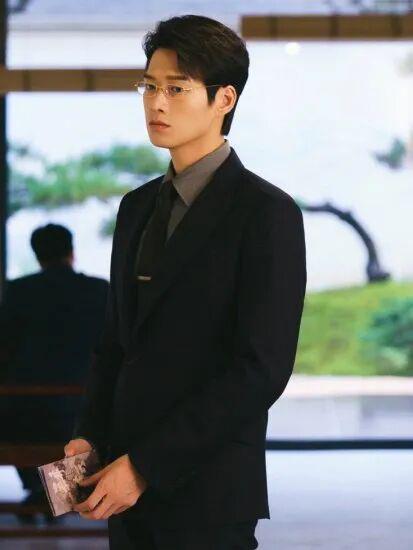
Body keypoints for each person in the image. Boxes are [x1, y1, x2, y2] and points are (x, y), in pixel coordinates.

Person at [65, 14, 307, 550]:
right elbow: (115, 341)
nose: (157, 103)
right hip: (122, 485)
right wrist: (89, 434)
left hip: (208, 489)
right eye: (149, 86)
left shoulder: (266, 213)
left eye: (176, 89)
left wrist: (146, 465)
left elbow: (260, 369)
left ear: (225, 99)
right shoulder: (136, 208)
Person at [0, 223, 108, 521]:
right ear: (71, 251)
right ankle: (54, 496)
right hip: (82, 407)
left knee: (22, 418)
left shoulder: (19, 291)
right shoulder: (99, 291)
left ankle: (42, 493)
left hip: (24, 408)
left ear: (37, 255)